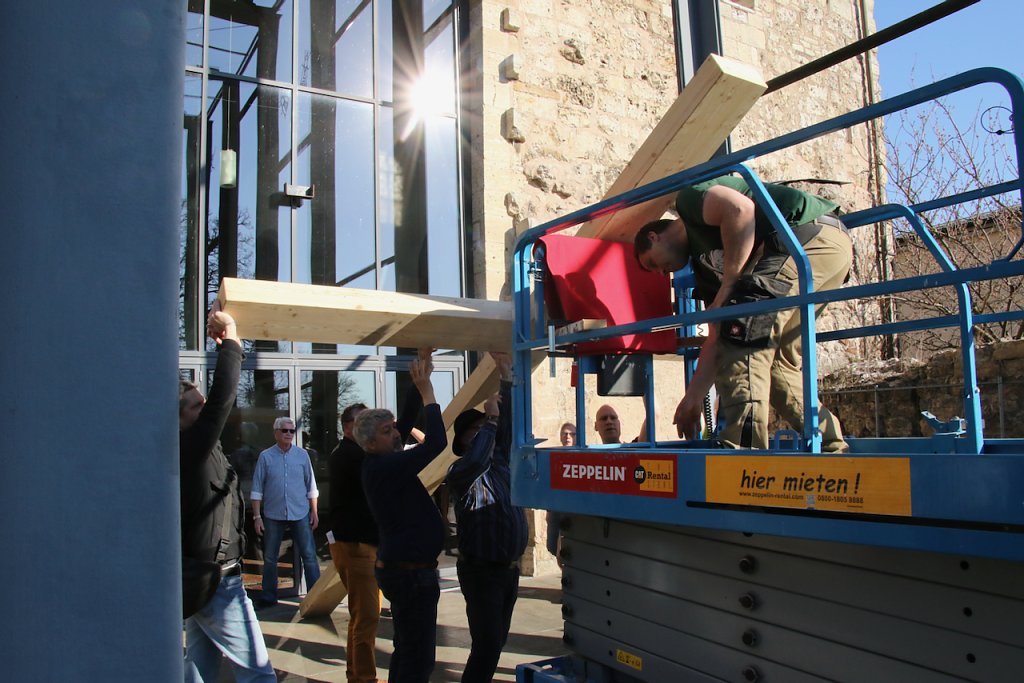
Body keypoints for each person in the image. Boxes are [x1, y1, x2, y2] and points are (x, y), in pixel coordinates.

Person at [634, 174, 852, 452]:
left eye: (652, 263)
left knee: (745, 331)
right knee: (776, 364)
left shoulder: (689, 200)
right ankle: (833, 446)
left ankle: (742, 449)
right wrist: (694, 396)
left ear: (653, 236)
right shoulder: (707, 269)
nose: (661, 273)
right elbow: (718, 335)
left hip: (804, 237)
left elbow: (740, 209)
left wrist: (729, 285)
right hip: (827, 252)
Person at [179, 302, 276, 682]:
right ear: (178, 418)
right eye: (195, 406)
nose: (205, 410)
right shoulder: (189, 447)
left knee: (200, 670)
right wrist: (232, 340)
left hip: (205, 578)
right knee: (259, 675)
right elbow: (222, 398)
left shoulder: (202, 448)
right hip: (216, 580)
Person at [357, 349, 447, 683]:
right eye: (387, 430)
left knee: (408, 650)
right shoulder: (383, 467)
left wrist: (421, 372)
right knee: (418, 659)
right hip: (410, 576)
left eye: (393, 427)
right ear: (370, 443)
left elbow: (406, 421)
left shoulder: (383, 459)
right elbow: (436, 444)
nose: (396, 433)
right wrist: (428, 394)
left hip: (408, 573)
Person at [447, 352, 529, 683]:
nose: (487, 430)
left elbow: (506, 427)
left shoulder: (500, 461)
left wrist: (506, 377)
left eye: (486, 426)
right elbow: (479, 454)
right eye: (478, 429)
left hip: (507, 569)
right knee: (487, 644)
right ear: (465, 440)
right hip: (481, 572)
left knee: (496, 642)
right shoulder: (462, 470)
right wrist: (491, 421)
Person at [327, 401, 382, 683]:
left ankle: (358, 674)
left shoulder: (352, 454)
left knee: (363, 614)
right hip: (356, 546)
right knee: (366, 615)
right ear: (348, 428)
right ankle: (363, 678)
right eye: (364, 422)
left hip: (362, 544)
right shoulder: (349, 456)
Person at [251, 416, 321, 607]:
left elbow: (311, 485)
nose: (289, 434)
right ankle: (269, 596)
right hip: (273, 513)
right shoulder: (266, 457)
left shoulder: (302, 455)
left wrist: (314, 511)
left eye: (291, 431)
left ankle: (316, 597)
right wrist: (257, 516)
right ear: (276, 433)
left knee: (309, 555)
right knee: (270, 557)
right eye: (285, 430)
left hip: (300, 512)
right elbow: (257, 488)